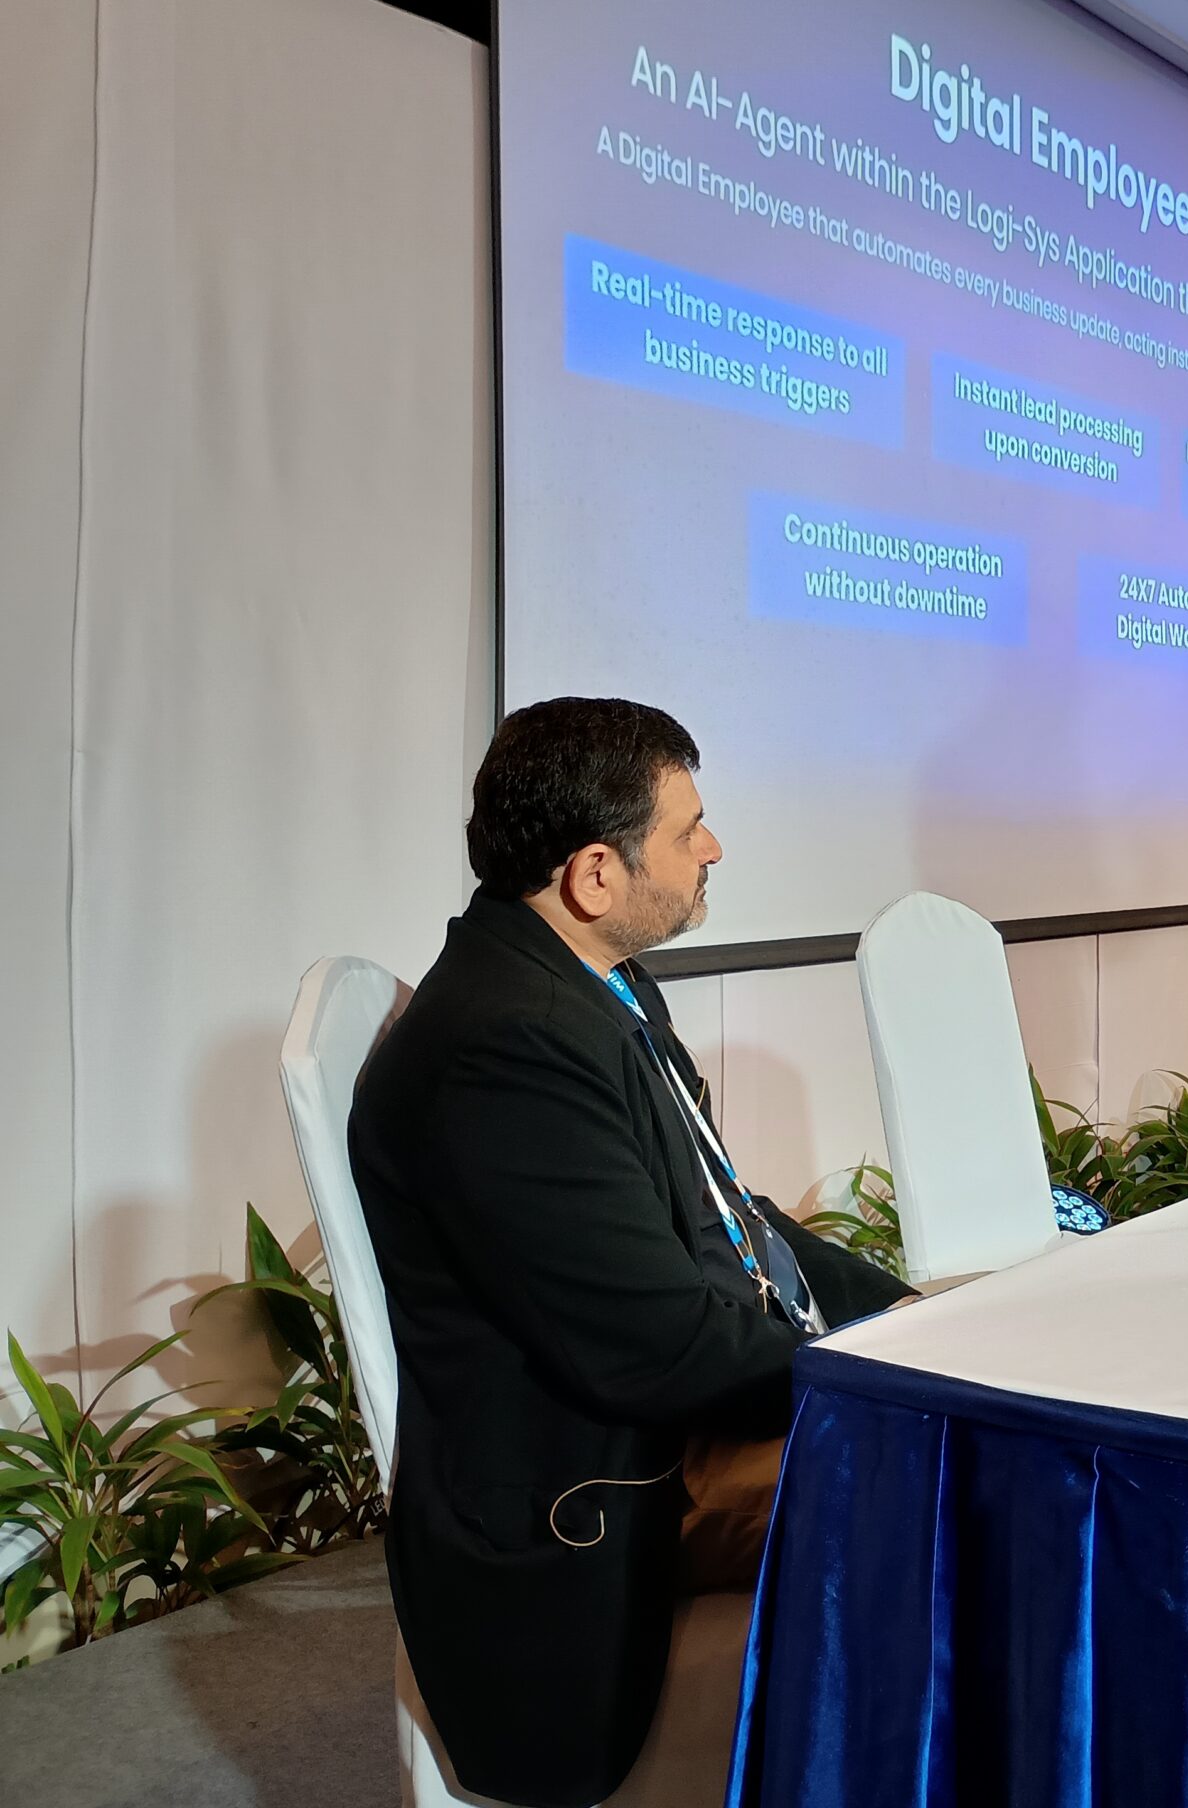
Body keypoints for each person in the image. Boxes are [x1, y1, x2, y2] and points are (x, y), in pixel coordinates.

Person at [350, 698, 912, 1808]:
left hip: (679, 1421)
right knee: (957, 1487)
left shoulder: (590, 980)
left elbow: (728, 1214)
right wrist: (887, 1377)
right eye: (687, 829)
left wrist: (905, 1314)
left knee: (977, 1451)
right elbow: (659, 1350)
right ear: (595, 875)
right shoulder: (506, 1044)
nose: (713, 848)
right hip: (609, 1490)